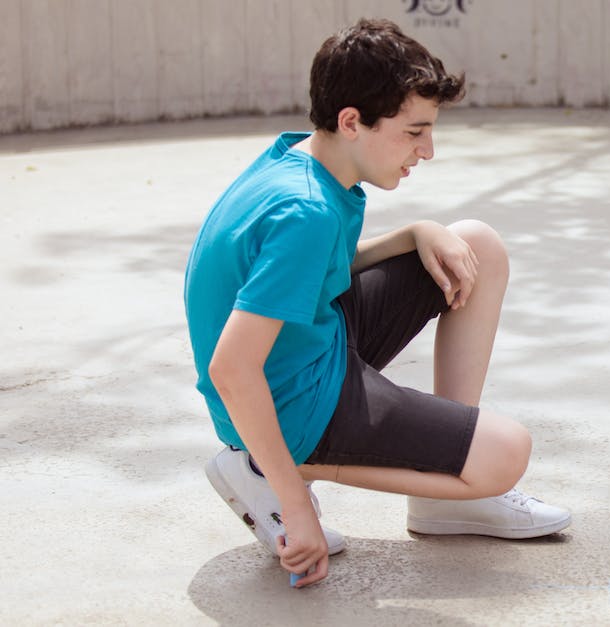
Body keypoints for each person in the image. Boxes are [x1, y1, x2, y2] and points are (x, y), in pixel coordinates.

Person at [184, 18, 570, 587]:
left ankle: (446, 500)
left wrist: (414, 231)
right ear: (352, 122)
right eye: (414, 131)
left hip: (312, 344)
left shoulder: (300, 160)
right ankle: (264, 467)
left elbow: (311, 273)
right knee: (506, 453)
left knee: (473, 246)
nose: (428, 150)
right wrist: (295, 508)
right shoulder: (307, 214)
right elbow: (232, 368)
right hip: (295, 404)